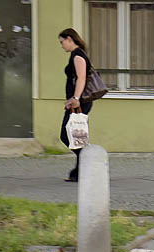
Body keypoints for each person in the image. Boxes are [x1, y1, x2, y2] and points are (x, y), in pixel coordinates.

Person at [58, 28, 93, 182]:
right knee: (75, 136)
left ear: (70, 39)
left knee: (67, 135)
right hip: (77, 101)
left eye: (62, 42)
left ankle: (87, 163)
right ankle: (79, 172)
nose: (61, 46)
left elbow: (81, 78)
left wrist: (76, 98)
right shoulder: (76, 54)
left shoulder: (78, 55)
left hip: (80, 102)